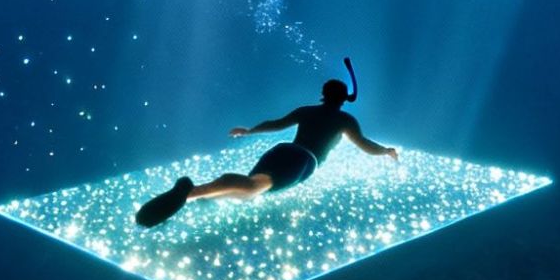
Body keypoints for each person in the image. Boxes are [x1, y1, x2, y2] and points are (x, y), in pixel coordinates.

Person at [136, 58, 398, 228]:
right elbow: (364, 145)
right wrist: (386, 151)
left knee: (248, 191)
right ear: (343, 99)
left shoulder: (307, 111)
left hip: (283, 150)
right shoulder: (344, 119)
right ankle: (190, 192)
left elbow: (275, 124)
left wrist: (248, 131)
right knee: (252, 188)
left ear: (323, 95)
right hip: (305, 161)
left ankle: (197, 195)